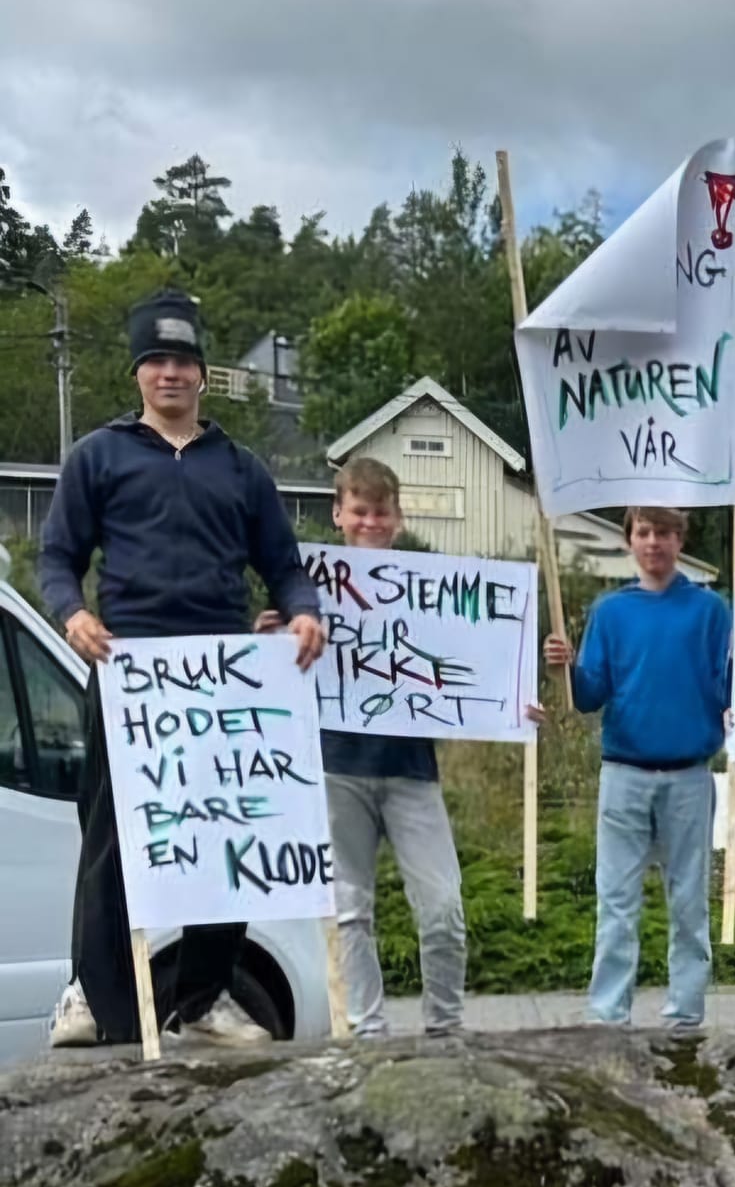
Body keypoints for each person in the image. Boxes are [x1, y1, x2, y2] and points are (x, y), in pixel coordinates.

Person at [43, 289, 326, 1049]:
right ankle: (91, 996)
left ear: (202, 372)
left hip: (223, 678)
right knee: (110, 837)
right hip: (128, 671)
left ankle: (202, 997)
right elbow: (57, 560)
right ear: (138, 372)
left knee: (226, 834)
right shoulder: (97, 456)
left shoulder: (242, 469)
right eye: (156, 360)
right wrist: (73, 612)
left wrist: (303, 612)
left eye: (183, 360)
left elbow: (284, 567)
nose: (170, 373)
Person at [258, 457, 472, 1039]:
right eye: (360, 510)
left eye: (381, 511)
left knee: (444, 909)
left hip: (411, 769)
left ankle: (446, 1031)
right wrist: (266, 644)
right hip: (336, 767)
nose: (370, 522)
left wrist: (510, 703)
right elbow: (276, 674)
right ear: (338, 514)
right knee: (350, 912)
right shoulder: (304, 589)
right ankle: (366, 1033)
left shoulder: (430, 590)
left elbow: (478, 665)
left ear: (398, 518)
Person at [544, 505, 730, 1031]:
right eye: (645, 532)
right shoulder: (610, 612)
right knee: (617, 904)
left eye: (666, 532)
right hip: (623, 774)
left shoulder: (710, 611)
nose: (655, 542)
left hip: (691, 775)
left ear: (680, 540)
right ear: (630, 540)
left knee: (690, 904)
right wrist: (564, 667)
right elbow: (588, 696)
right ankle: (608, 1016)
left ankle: (686, 1014)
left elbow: (728, 684)